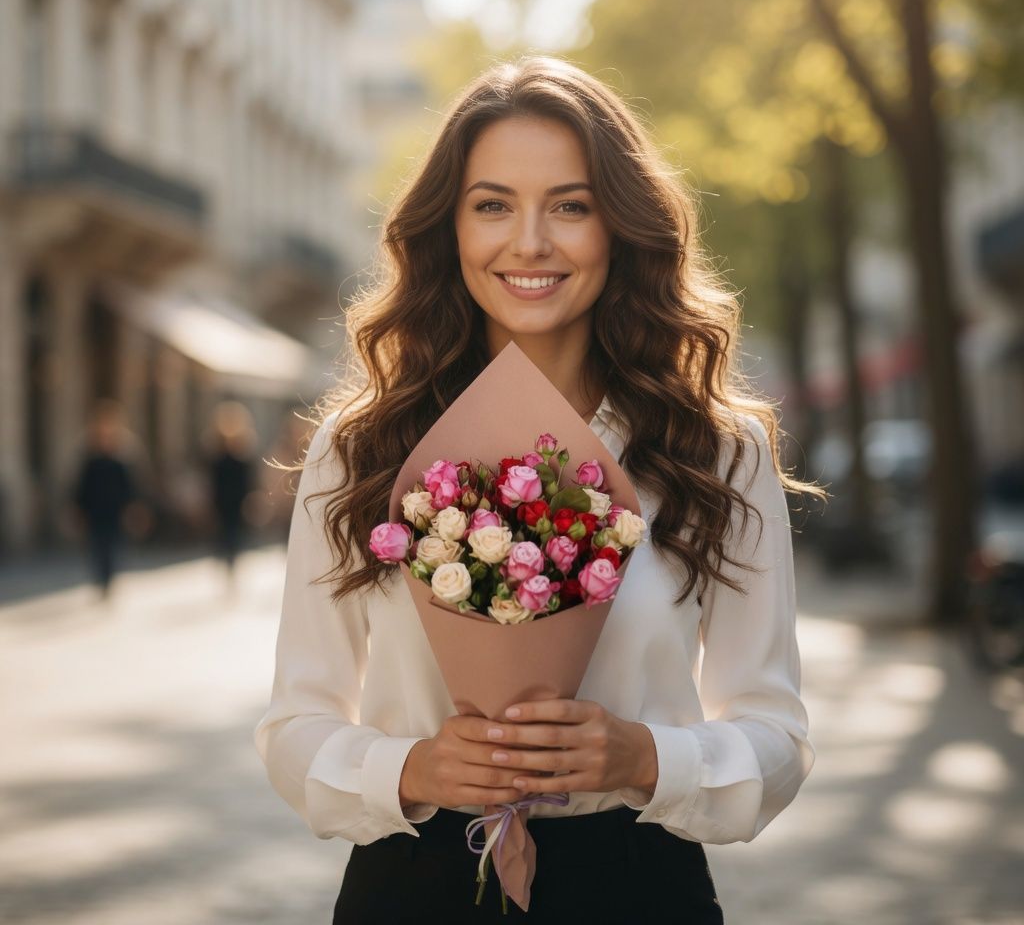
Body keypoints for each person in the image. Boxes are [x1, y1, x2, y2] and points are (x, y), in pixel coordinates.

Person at [254, 55, 823, 923]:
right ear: (449, 228)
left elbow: (777, 736)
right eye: (492, 206)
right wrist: (409, 769)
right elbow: (294, 726)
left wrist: (645, 759)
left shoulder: (714, 451)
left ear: (619, 226)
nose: (529, 243)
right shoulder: (362, 448)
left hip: (639, 887)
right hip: (412, 884)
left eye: (570, 206)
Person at [71, 399, 139, 600]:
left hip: (114, 509)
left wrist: (133, 508)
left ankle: (108, 579)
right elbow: (81, 485)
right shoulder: (90, 458)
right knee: (96, 546)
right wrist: (77, 508)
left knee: (111, 545)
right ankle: (101, 578)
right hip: (95, 509)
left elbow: (129, 486)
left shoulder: (122, 458)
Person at [204, 400, 258, 594]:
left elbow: (249, 482)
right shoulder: (216, 455)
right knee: (224, 537)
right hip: (222, 503)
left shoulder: (242, 455)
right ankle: (227, 565)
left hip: (236, 503)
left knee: (233, 537)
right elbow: (211, 482)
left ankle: (231, 566)